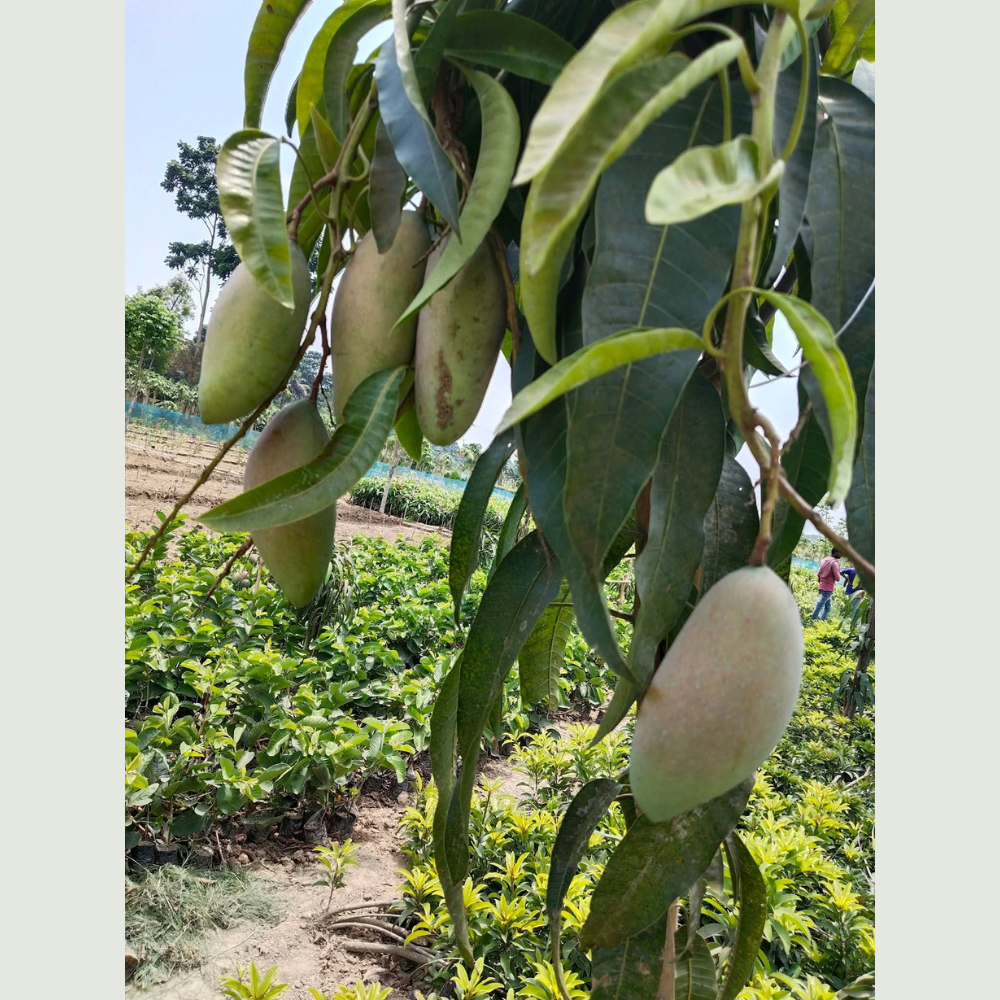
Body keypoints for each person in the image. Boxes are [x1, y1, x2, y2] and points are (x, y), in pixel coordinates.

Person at [811, 548, 841, 620]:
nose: (841, 555)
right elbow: (837, 577)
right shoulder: (834, 563)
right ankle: (813, 619)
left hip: (822, 585)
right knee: (820, 604)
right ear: (836, 552)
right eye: (840, 553)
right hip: (828, 587)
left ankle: (822, 620)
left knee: (828, 607)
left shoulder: (825, 560)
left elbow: (820, 572)